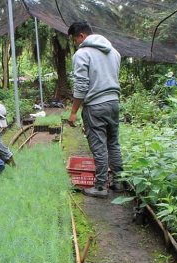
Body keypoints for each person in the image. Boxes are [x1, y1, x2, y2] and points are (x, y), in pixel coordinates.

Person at [67, 21, 124, 198]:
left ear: (81, 36)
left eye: (75, 40)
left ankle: (100, 187)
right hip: (114, 103)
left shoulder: (82, 54)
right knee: (113, 143)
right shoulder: (114, 52)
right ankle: (119, 181)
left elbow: (81, 85)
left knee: (99, 146)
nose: (75, 44)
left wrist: (74, 111)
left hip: (95, 106)